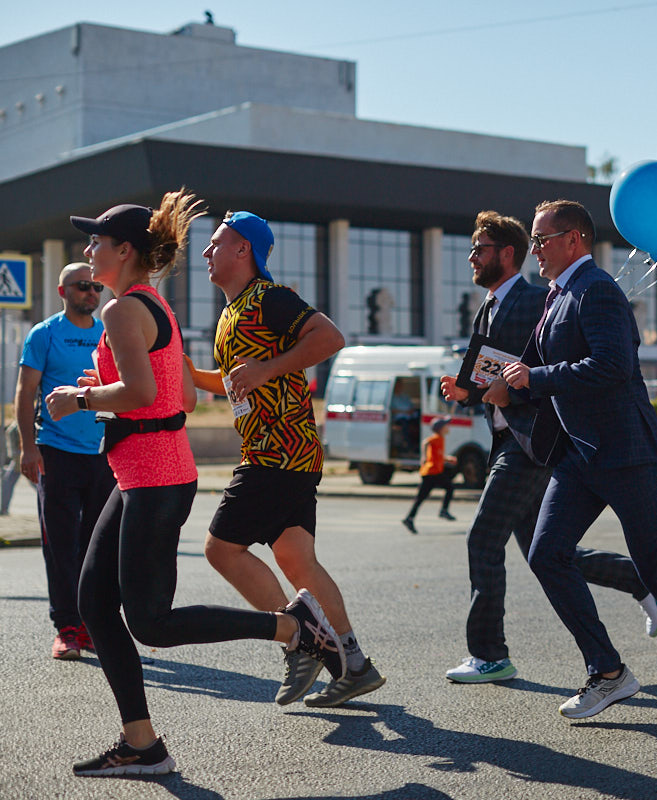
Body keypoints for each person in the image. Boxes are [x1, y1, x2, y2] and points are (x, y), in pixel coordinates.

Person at [51, 193, 343, 777]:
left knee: (151, 622)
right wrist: (106, 393)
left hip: (154, 479)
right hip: (144, 474)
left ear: (124, 250)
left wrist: (81, 399)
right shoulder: (151, 304)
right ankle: (142, 743)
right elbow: (177, 397)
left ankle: (293, 627)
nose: (88, 252)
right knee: (94, 605)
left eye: (96, 242)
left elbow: (144, 396)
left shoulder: (121, 311)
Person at [499, 199, 657, 721]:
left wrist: (536, 378)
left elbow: (611, 366)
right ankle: (608, 672)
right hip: (580, 454)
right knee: (546, 554)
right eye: (534, 241)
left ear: (574, 240)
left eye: (542, 240)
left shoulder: (597, 290)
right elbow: (547, 371)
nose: (535, 250)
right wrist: (499, 384)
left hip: (625, 453)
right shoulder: (558, 294)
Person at [438, 210, 657, 684]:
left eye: (479, 250)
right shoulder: (490, 305)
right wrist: (469, 390)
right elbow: (501, 373)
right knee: (549, 552)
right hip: (510, 438)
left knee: (483, 538)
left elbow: (546, 367)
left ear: (506, 254)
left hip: (532, 443)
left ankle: (490, 654)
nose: (472, 259)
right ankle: (638, 579)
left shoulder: (538, 299)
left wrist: (506, 389)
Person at [186, 211, 383, 706]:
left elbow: (330, 338)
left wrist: (269, 368)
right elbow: (238, 381)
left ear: (243, 249)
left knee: (220, 548)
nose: (206, 253)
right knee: (298, 560)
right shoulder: (232, 312)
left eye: (215, 244)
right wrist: (189, 373)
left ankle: (300, 638)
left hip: (278, 451)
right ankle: (354, 664)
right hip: (284, 454)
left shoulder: (270, 299)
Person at [15, 263, 115, 660]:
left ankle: (92, 623)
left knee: (97, 546)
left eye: (95, 286)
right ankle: (67, 628)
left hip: (102, 454)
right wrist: (27, 448)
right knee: (61, 545)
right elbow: (25, 394)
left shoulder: (107, 334)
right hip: (55, 452)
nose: (92, 292)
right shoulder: (45, 333)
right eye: (83, 287)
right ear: (63, 290)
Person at [402, 417, 458, 532]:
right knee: (450, 487)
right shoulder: (437, 438)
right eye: (446, 426)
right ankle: (443, 511)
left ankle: (409, 518)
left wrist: (447, 459)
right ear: (440, 429)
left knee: (421, 498)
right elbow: (425, 442)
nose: (448, 428)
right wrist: (423, 456)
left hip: (432, 473)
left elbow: (438, 456)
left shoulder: (441, 439)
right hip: (432, 473)